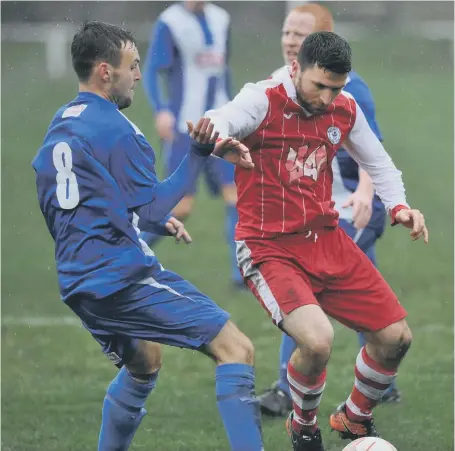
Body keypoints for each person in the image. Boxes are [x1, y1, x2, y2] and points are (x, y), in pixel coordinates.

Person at [31, 21, 264, 451]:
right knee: (237, 349)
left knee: (144, 361)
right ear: (106, 71)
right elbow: (158, 204)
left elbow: (64, 197)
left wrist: (142, 223)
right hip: (119, 280)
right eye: (132, 66)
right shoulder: (121, 131)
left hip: (77, 283)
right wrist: (199, 153)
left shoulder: (62, 121)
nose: (139, 75)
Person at [205, 31, 428, 451]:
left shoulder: (344, 109)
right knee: (317, 340)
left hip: (325, 238)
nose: (327, 98)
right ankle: (303, 424)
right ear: (295, 69)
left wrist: (399, 207)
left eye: (336, 88)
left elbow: (378, 162)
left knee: (396, 338)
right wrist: (219, 137)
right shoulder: (263, 98)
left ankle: (354, 418)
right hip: (268, 246)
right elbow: (220, 118)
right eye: (319, 85)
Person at [258, 3, 400, 420]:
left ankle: (286, 391)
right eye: (286, 32)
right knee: (368, 293)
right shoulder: (280, 86)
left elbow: (372, 152)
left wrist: (366, 196)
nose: (289, 41)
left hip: (350, 208)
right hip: (319, 212)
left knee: (309, 287)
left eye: (300, 34)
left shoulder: (351, 89)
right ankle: (384, 381)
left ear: (324, 41)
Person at [142, 0, 244, 289]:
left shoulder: (221, 19)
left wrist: (237, 111)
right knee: (181, 205)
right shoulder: (170, 22)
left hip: (221, 124)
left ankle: (241, 276)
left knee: (235, 195)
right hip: (186, 126)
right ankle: (129, 251)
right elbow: (152, 71)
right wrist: (161, 108)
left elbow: (223, 71)